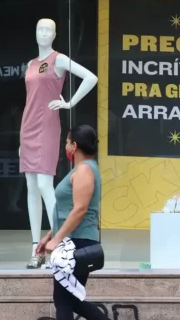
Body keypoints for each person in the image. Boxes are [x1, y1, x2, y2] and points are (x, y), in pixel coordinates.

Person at [35, 125, 110, 320]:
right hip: (73, 242)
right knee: (70, 300)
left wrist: (56, 240)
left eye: (66, 143)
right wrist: (49, 236)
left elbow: (80, 210)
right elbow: (67, 212)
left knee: (64, 301)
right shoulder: (82, 169)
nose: (65, 147)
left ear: (74, 146)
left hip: (77, 244)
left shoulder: (85, 170)